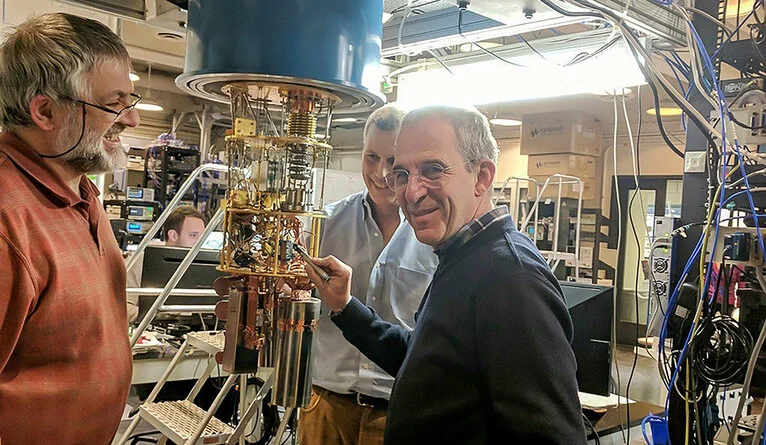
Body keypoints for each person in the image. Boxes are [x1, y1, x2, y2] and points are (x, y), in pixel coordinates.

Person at [304, 105, 587, 445]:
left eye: (433, 170)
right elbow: (421, 360)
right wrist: (345, 307)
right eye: (403, 174)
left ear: (482, 177)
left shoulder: (511, 278)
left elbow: (551, 436)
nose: (411, 192)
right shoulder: (462, 257)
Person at [0, 13, 141, 445]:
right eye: (114, 104)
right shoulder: (7, 218)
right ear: (45, 111)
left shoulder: (79, 190)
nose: (131, 121)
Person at [299, 104, 437, 445]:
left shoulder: (435, 236)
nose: (379, 173)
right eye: (371, 157)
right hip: (326, 408)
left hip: (399, 414)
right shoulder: (324, 225)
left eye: (392, 161)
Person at [126, 205, 207, 322]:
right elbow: (124, 307)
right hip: (153, 332)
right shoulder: (142, 260)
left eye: (203, 236)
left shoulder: (204, 264)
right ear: (173, 235)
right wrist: (160, 317)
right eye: (193, 235)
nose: (200, 242)